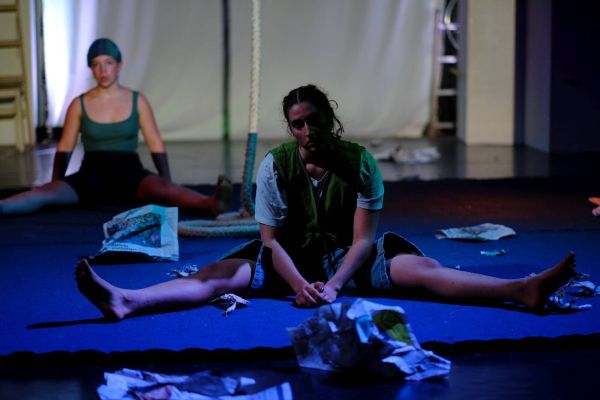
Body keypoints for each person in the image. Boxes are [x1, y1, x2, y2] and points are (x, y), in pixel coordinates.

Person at [75, 84, 577, 321]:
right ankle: (128, 300)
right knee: (218, 276)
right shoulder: (275, 167)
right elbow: (270, 243)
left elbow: (363, 241)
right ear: (290, 128)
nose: (307, 130)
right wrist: (301, 286)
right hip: (287, 258)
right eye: (297, 124)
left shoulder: (361, 164)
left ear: (328, 119)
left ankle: (521, 288)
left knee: (423, 270)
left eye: (314, 120)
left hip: (347, 258)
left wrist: (334, 285)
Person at [0, 38, 231, 215]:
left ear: (119, 65)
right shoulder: (79, 104)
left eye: (108, 63)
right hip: (91, 175)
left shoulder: (137, 100)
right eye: (96, 65)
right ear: (91, 69)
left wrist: (167, 181)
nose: (103, 70)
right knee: (44, 193)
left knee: (166, 190)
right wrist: (55, 182)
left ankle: (210, 203)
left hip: (130, 174)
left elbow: (155, 144)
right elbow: (65, 147)